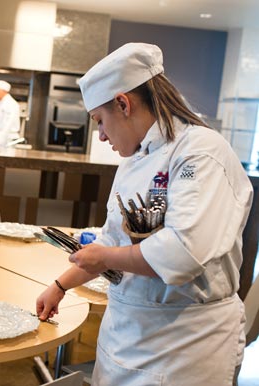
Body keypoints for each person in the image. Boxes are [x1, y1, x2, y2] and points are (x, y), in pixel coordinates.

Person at [36, 42, 252, 385]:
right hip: (126, 331)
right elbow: (114, 242)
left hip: (184, 344)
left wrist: (106, 255)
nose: (101, 135)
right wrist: (60, 285)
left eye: (100, 121)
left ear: (123, 103)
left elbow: (183, 253)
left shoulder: (201, 153)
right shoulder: (134, 159)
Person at [0, 80, 21, 147]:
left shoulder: (10, 104)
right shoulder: (3, 103)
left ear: (4, 91)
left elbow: (8, 124)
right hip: (2, 139)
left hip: (8, 140)